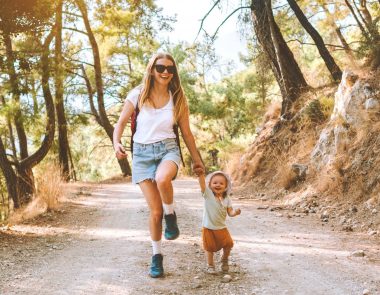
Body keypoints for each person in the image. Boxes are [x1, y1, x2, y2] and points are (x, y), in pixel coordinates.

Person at [113, 52, 205, 278]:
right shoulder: (137, 94)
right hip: (142, 155)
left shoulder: (178, 97)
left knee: (163, 179)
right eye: (161, 67)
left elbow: (186, 133)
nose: (165, 72)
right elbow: (121, 123)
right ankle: (156, 256)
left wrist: (197, 160)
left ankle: (171, 215)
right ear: (152, 69)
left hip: (168, 149)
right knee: (155, 213)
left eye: (170, 69)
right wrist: (116, 143)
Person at [198, 171, 241, 274]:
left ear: (226, 186)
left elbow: (230, 212)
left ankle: (224, 259)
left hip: (221, 227)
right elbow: (202, 184)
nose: (218, 185)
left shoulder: (227, 199)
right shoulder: (208, 194)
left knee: (229, 244)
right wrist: (200, 175)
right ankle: (210, 266)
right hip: (208, 227)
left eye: (221, 183)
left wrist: (235, 213)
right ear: (210, 185)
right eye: (215, 182)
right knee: (209, 248)